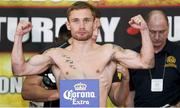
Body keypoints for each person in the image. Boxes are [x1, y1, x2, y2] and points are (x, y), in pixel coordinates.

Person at [11, 1, 154, 107]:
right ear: (68, 25)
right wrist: (18, 36)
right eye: (75, 21)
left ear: (94, 23)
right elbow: (19, 70)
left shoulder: (109, 52)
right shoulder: (56, 55)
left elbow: (146, 62)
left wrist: (144, 30)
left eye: (86, 20)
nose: (81, 26)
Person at [127, 10, 180, 107]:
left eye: (162, 32)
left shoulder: (178, 53)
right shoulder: (134, 55)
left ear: (168, 28)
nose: (157, 37)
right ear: (145, 27)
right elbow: (130, 93)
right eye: (152, 32)